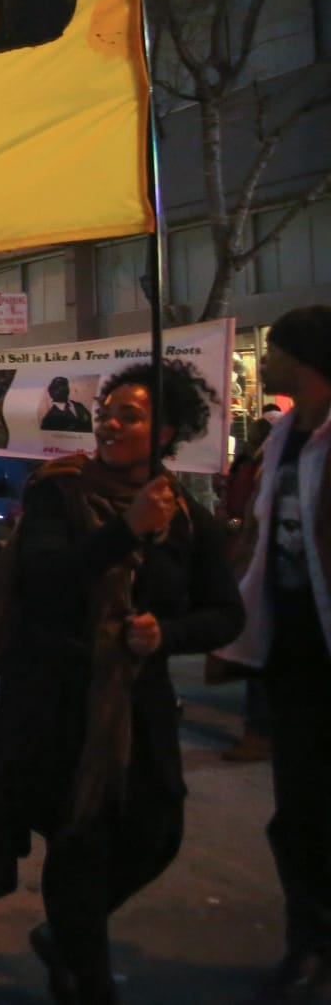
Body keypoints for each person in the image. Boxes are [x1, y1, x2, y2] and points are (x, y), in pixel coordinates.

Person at [0, 359, 242, 1005]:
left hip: (136, 706)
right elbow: (44, 582)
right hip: (57, 702)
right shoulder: (58, 491)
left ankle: (66, 933)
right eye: (108, 413)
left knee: (158, 827)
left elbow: (226, 613)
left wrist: (165, 633)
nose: (112, 424)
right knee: (79, 842)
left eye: (131, 414)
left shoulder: (183, 514)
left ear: (168, 429)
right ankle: (82, 976)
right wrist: (125, 531)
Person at [212, 307, 331, 1001]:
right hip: (291, 649)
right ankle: (307, 941)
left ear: (302, 357)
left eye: (276, 350)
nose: (266, 362)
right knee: (300, 808)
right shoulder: (281, 436)